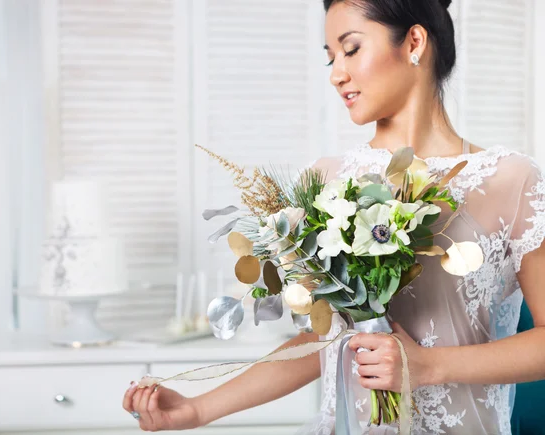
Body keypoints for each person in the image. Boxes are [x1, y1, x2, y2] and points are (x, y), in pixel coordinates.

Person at [123, 0, 545, 433]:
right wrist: (197, 410)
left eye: (351, 49)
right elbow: (323, 340)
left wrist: (430, 366)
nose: (335, 73)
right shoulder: (324, 181)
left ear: (414, 42)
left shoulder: (509, 179)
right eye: (330, 56)